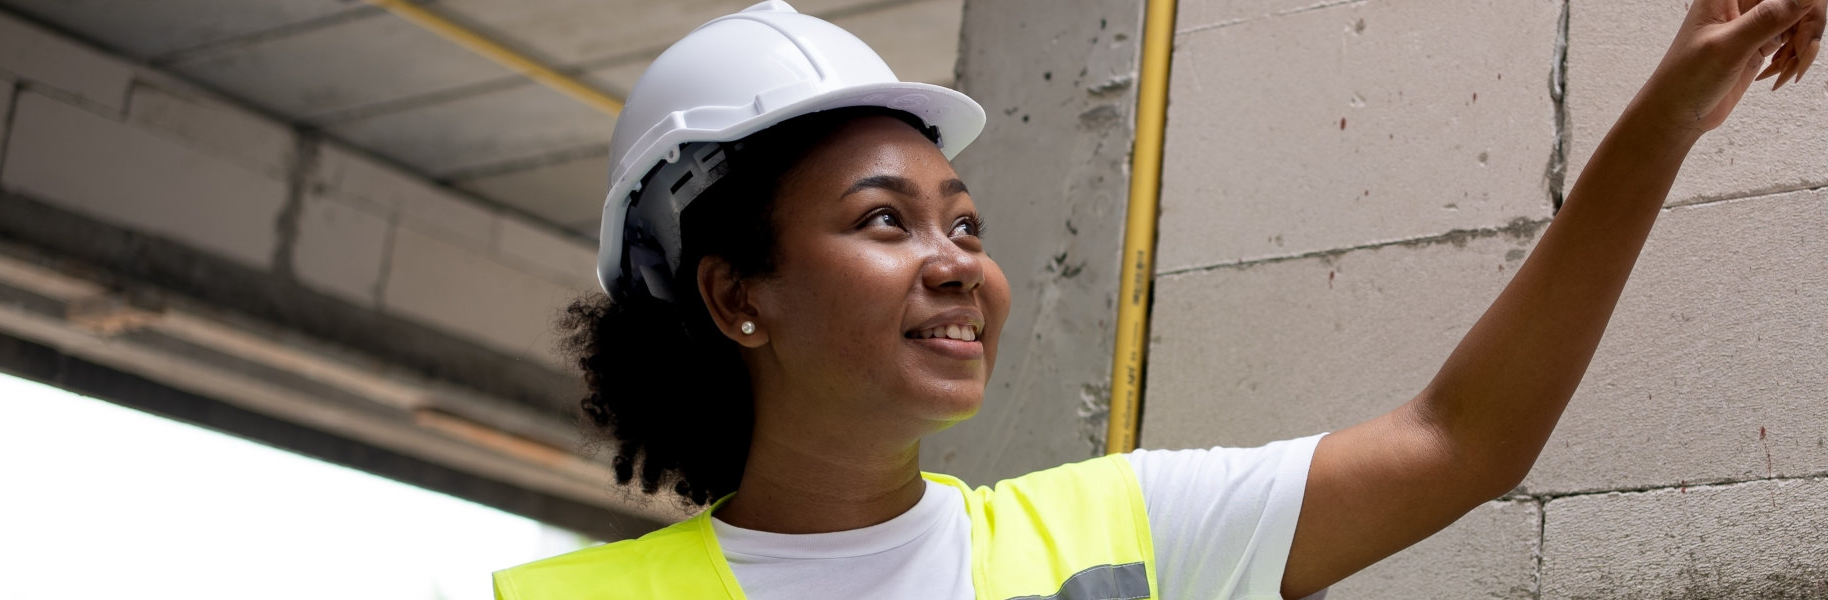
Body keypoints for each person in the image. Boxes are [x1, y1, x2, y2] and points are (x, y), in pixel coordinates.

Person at [496, 0, 1824, 598]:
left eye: (967, 220)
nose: (958, 260)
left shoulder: (1114, 544)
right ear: (739, 297)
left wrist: (1662, 128)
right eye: (885, 222)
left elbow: (1461, 443)